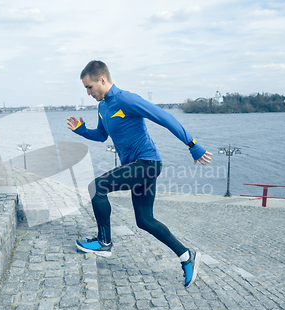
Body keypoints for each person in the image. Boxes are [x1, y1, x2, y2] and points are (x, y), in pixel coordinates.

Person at [67, 60, 212, 288]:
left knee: (97, 187)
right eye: (85, 88)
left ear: (102, 80)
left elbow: (164, 118)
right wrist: (82, 130)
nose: (88, 92)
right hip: (137, 167)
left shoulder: (126, 99)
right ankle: (187, 256)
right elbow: (102, 135)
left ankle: (104, 242)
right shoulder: (103, 107)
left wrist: (192, 144)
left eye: (89, 87)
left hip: (146, 163)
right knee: (145, 220)